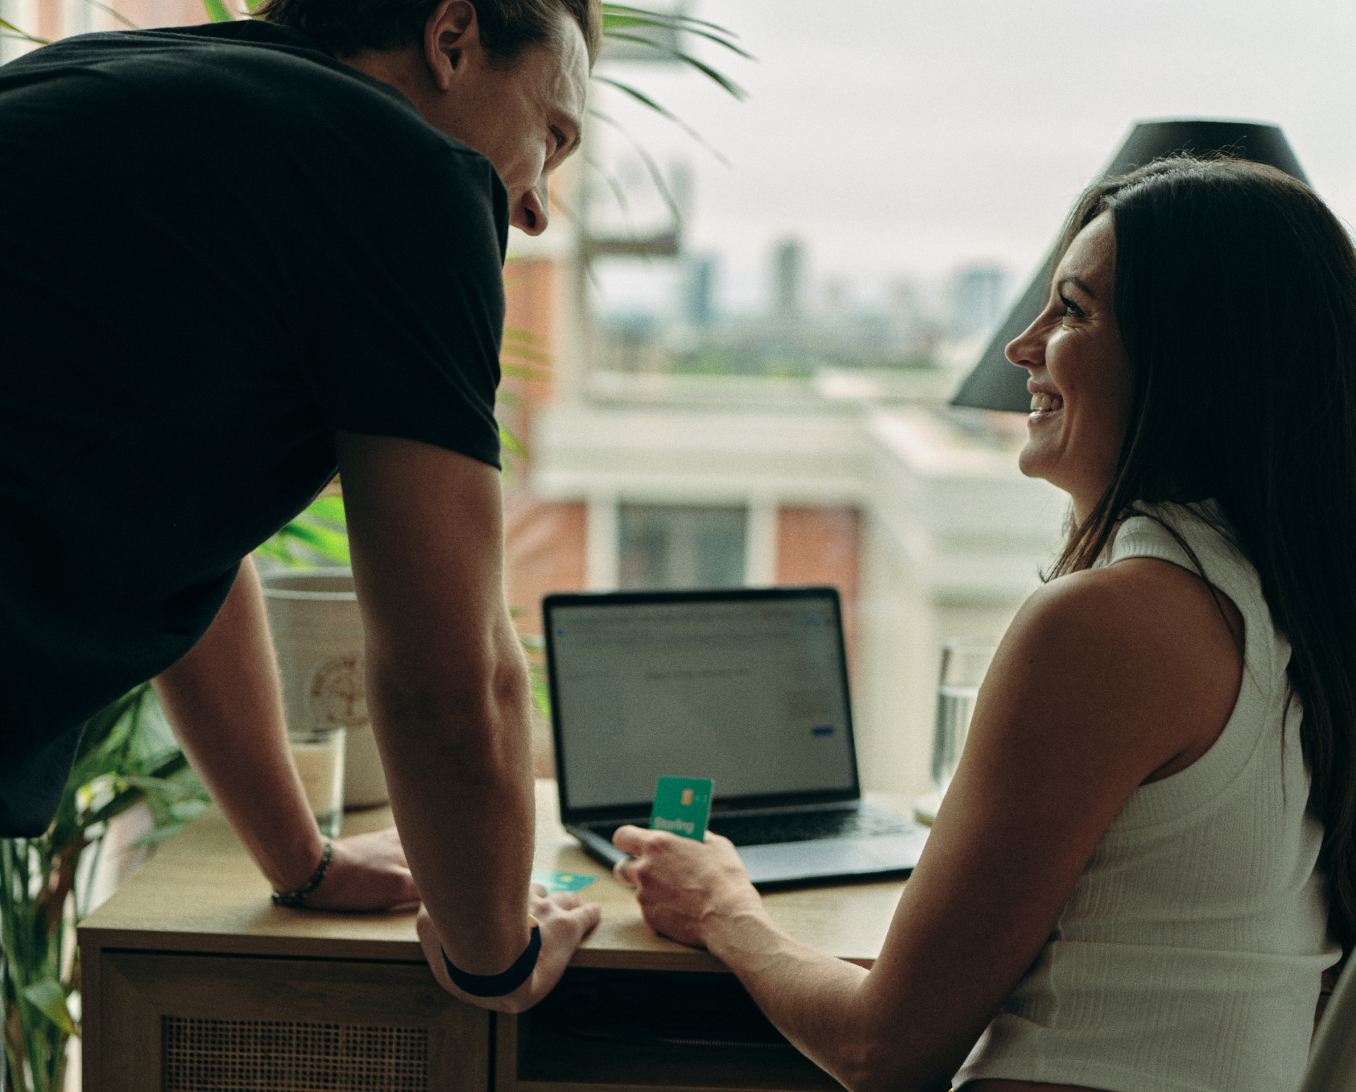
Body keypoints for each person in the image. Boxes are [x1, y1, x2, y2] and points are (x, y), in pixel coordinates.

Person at [613, 155, 1354, 1090]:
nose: (1023, 347)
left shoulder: (1113, 623)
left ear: (1193, 361)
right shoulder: (1294, 606)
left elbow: (880, 1050)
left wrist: (724, 908)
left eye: (1074, 311)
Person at [0, 0, 601, 1012]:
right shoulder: (407, 174)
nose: (539, 206)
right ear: (451, 39)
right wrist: (494, 955)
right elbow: (451, 676)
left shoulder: (126, 89)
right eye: (553, 133)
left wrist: (300, 860)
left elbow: (189, 539)